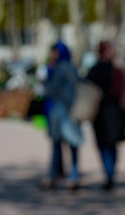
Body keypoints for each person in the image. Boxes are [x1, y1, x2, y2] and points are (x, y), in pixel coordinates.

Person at [86, 40, 125, 191]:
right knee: (110, 145)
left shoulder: (95, 70)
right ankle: (110, 173)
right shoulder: (117, 70)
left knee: (104, 145)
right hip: (113, 113)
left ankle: (109, 173)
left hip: (101, 113)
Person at [42, 42, 84, 191]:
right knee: (73, 146)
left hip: (60, 112)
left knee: (57, 146)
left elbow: (50, 91)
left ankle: (53, 176)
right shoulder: (73, 68)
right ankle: (73, 175)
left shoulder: (58, 69)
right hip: (73, 112)